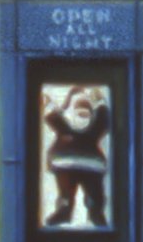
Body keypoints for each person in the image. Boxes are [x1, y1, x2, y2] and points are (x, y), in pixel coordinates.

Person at [43, 86, 112, 228]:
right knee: (94, 197)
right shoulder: (95, 128)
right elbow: (104, 116)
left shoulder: (64, 127)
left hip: (65, 162)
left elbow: (52, 116)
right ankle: (95, 213)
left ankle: (65, 212)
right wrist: (99, 100)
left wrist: (48, 103)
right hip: (91, 164)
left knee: (66, 195)